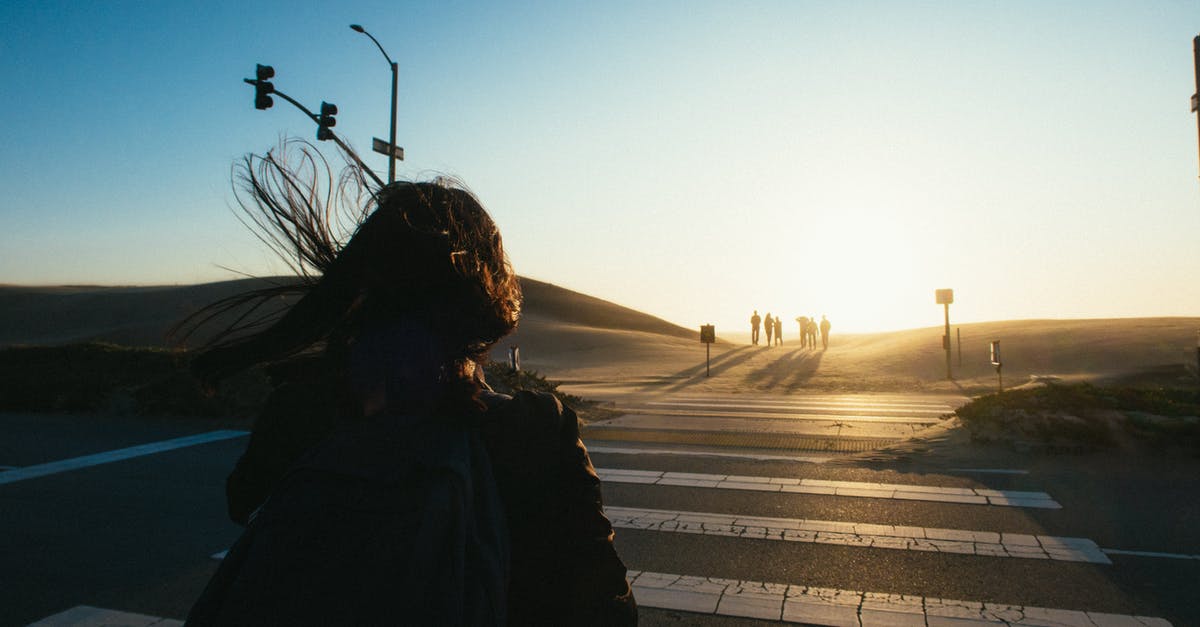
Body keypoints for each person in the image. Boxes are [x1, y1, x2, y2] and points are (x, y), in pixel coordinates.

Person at [181, 143, 636, 626]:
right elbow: (605, 605)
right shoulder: (536, 430)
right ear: (487, 301)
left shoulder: (300, 410)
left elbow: (243, 500)